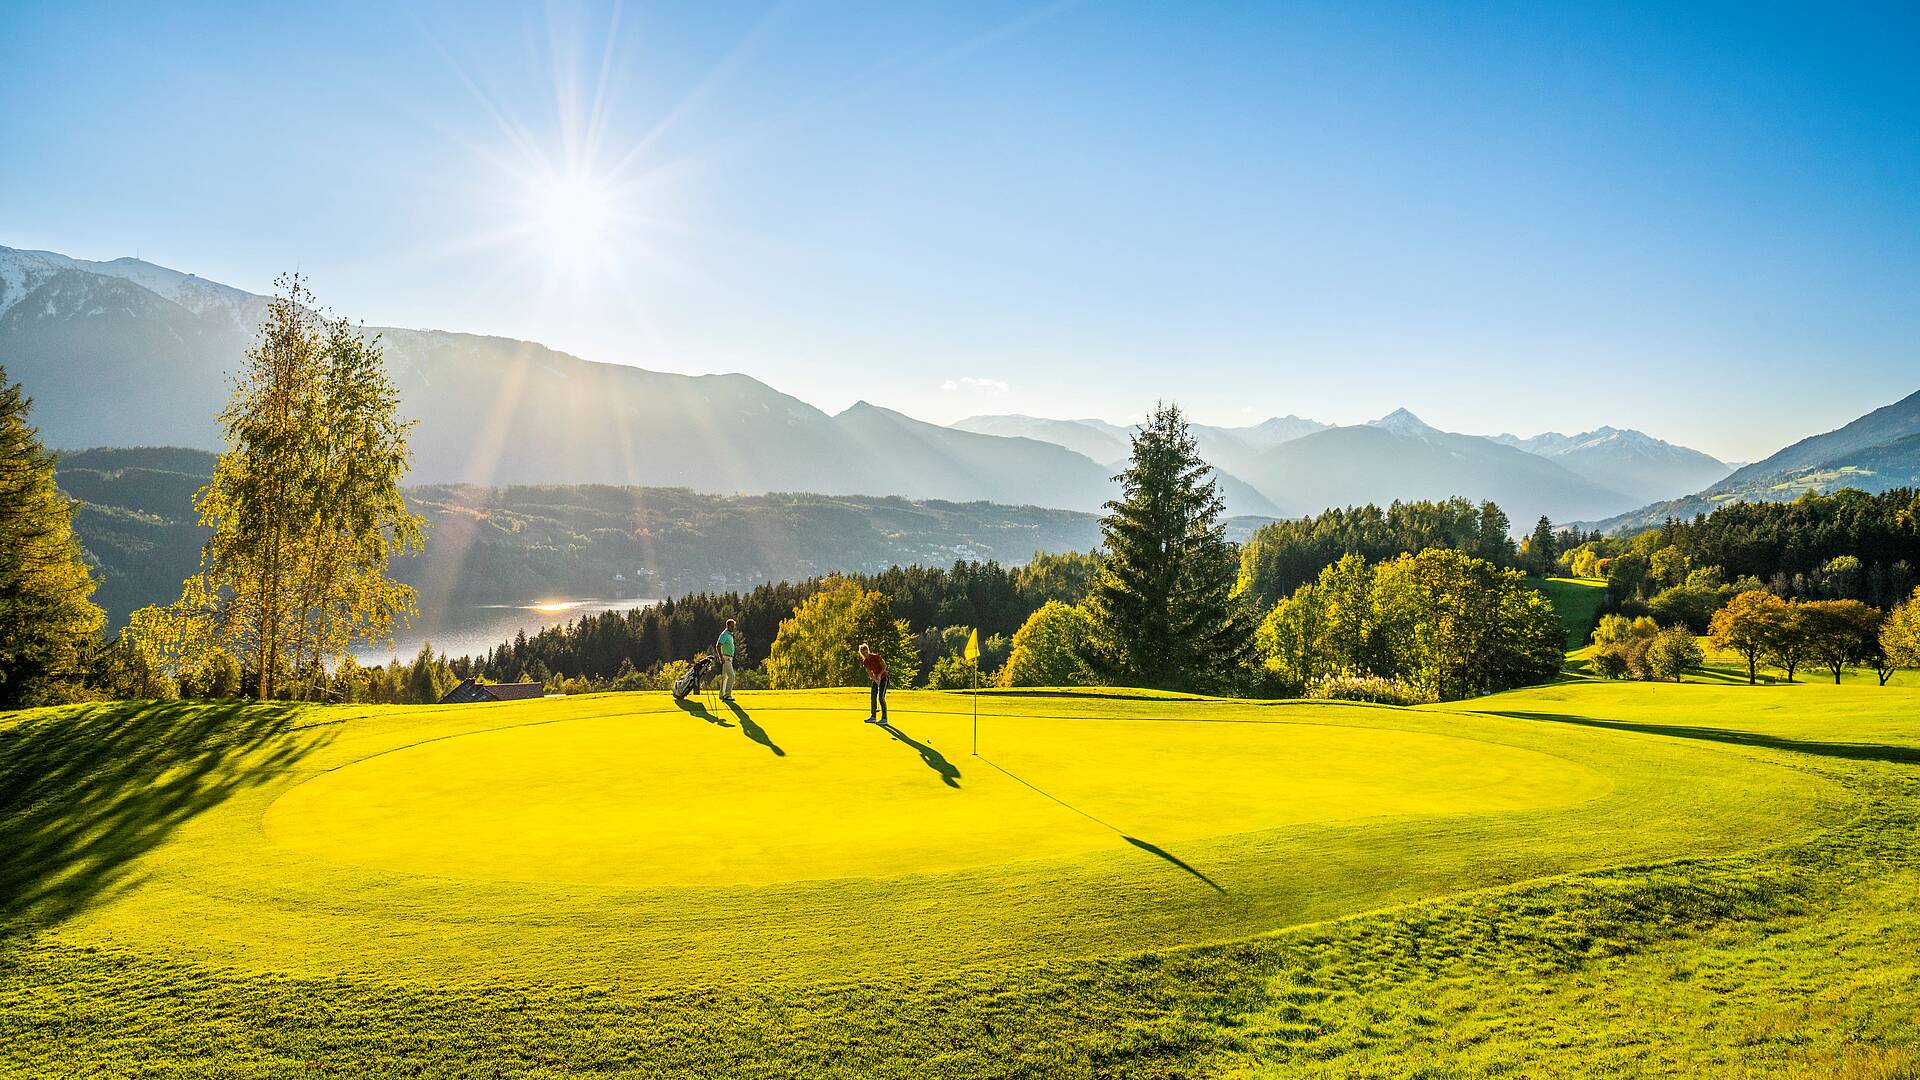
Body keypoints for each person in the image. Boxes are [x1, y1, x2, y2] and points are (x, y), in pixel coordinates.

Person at [858, 642, 888, 725]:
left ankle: (884, 718)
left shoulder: (876, 657)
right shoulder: (865, 662)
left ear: (868, 650)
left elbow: (884, 666)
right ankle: (873, 717)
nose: (865, 654)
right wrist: (874, 678)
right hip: (876, 679)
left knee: (881, 697)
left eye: (866, 652)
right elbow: (869, 672)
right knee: (873, 696)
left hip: (884, 678)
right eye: (863, 653)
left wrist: (879, 675)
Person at [714, 619, 738, 702]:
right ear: (727, 626)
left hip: (728, 658)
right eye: (731, 626)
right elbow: (718, 646)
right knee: (731, 676)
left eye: (733, 626)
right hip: (726, 658)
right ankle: (727, 695)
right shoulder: (724, 634)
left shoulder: (729, 634)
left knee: (725, 677)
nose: (733, 628)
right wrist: (720, 657)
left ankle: (722, 695)